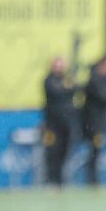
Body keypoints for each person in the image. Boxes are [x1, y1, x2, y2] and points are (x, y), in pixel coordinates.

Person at [43, 56, 76, 187]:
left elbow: (76, 89)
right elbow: (56, 92)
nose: (59, 67)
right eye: (57, 64)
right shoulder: (48, 80)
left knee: (64, 151)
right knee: (53, 151)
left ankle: (61, 180)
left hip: (66, 123)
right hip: (52, 124)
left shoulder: (67, 79)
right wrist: (66, 87)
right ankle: (52, 180)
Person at [81, 54, 106, 185]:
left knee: (97, 150)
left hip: (103, 122)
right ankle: (92, 179)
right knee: (95, 150)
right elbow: (103, 97)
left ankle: (94, 178)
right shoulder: (94, 80)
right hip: (94, 123)